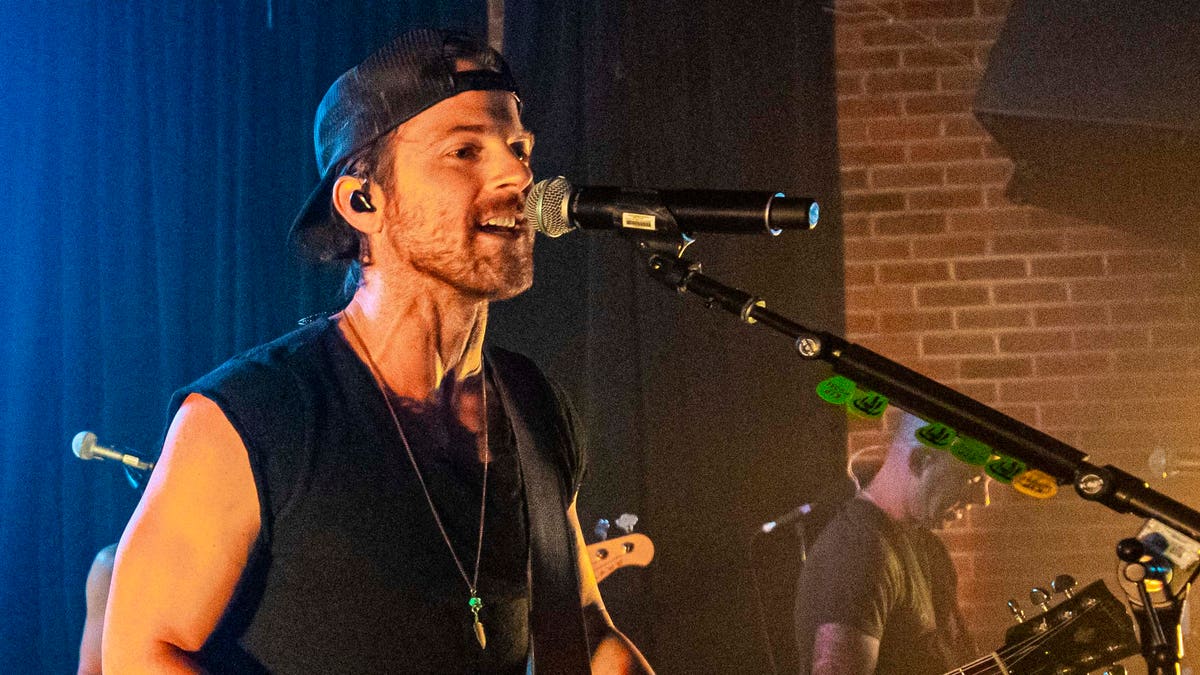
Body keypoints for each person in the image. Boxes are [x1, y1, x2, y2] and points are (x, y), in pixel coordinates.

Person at [104, 28, 651, 674]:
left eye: (518, 148)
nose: (517, 174)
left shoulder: (533, 407)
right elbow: (139, 652)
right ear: (363, 199)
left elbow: (585, 635)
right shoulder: (255, 415)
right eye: (464, 151)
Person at [793, 410, 989, 675]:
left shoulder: (930, 550)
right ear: (920, 461)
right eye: (971, 478)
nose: (982, 498)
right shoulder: (858, 551)